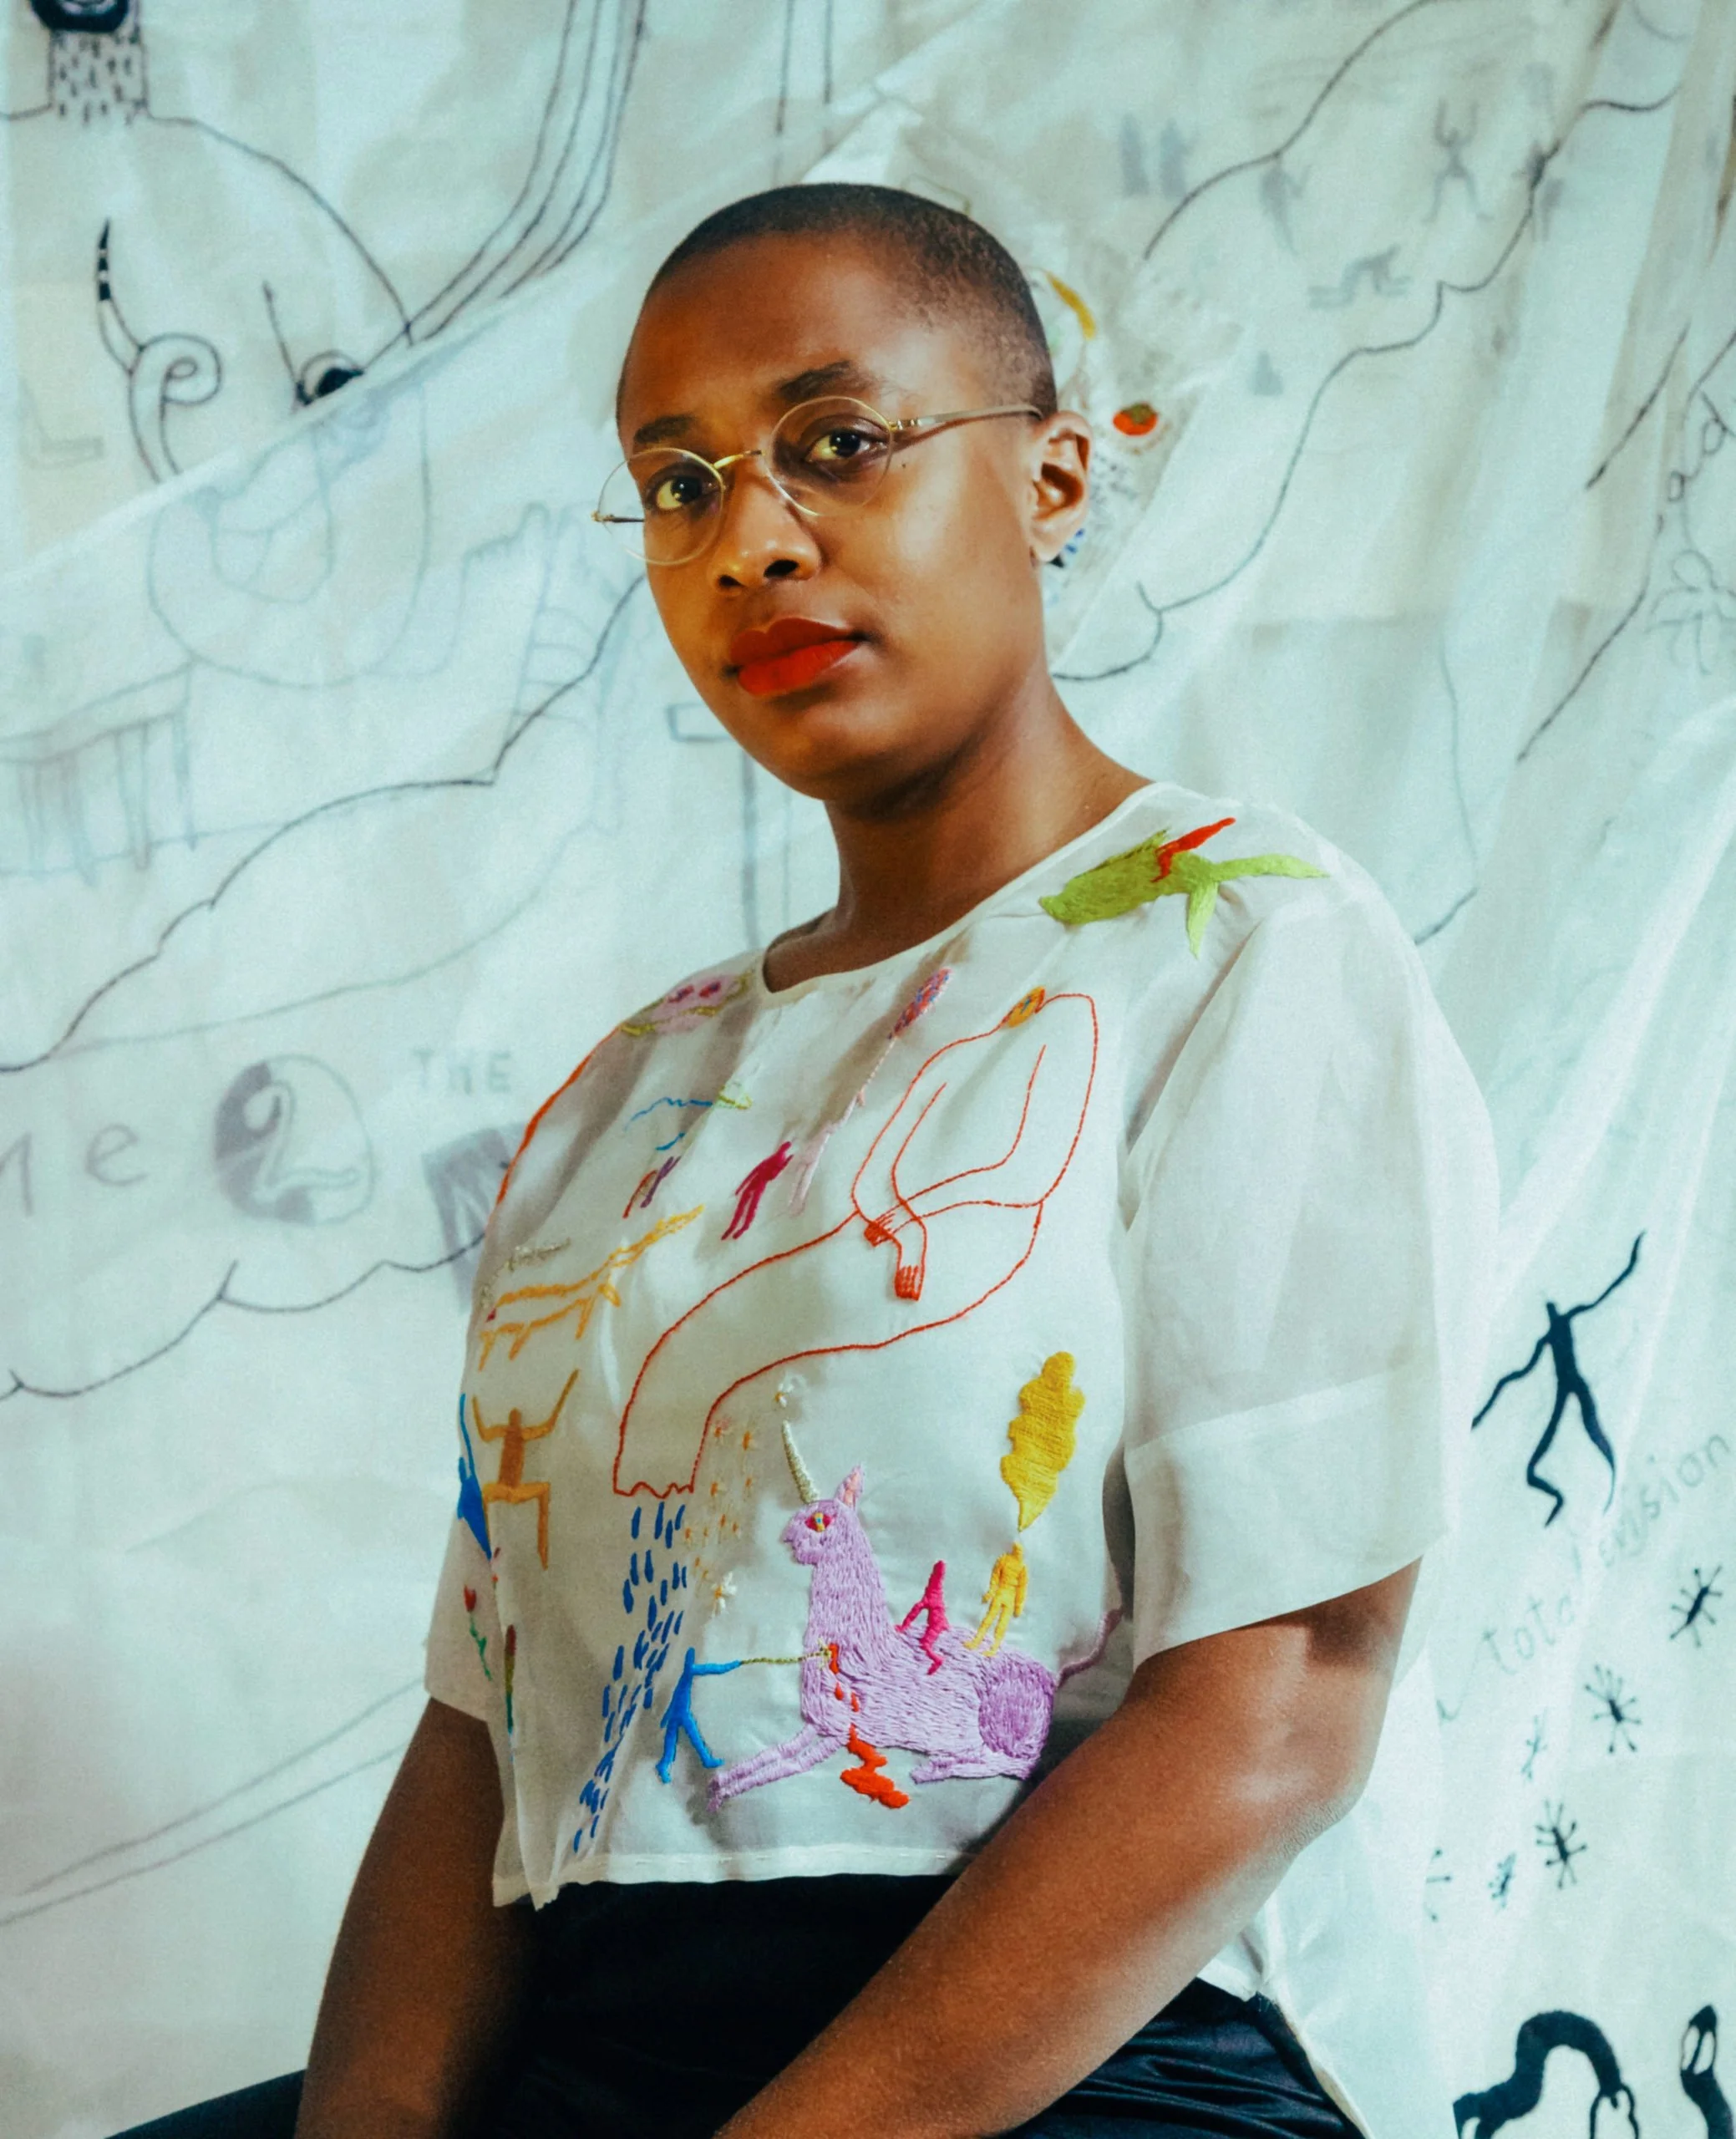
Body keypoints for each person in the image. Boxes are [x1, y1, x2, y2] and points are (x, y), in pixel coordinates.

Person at [127, 181, 1497, 2139]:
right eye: (675, 486)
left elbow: (1276, 1706)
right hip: (599, 2035)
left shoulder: (1236, 943)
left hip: (1074, 2051)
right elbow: (479, 1725)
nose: (749, 538)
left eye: (834, 444)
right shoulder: (631, 1087)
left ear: (1051, 474)